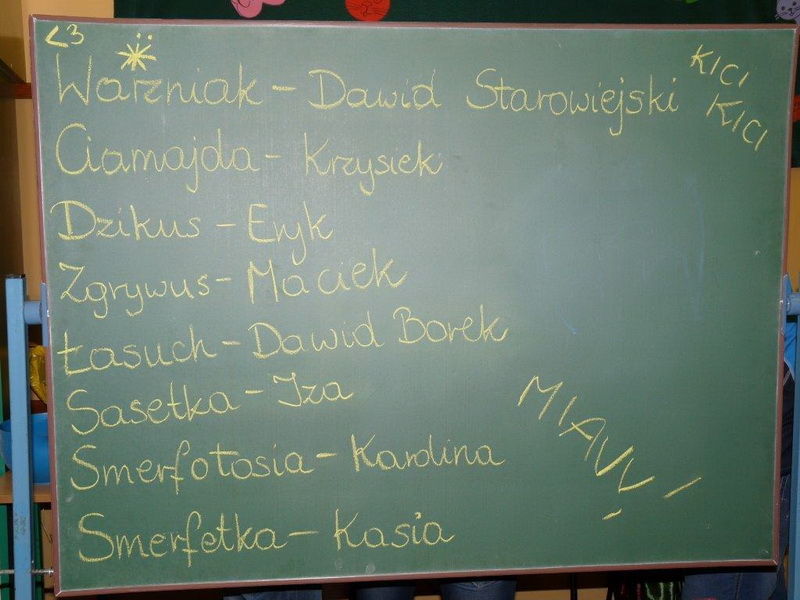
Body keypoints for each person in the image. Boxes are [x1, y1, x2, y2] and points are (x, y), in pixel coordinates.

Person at [682, 290, 797, 600]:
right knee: (760, 583)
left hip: (752, 469)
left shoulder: (758, 287)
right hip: (735, 464)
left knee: (724, 583)